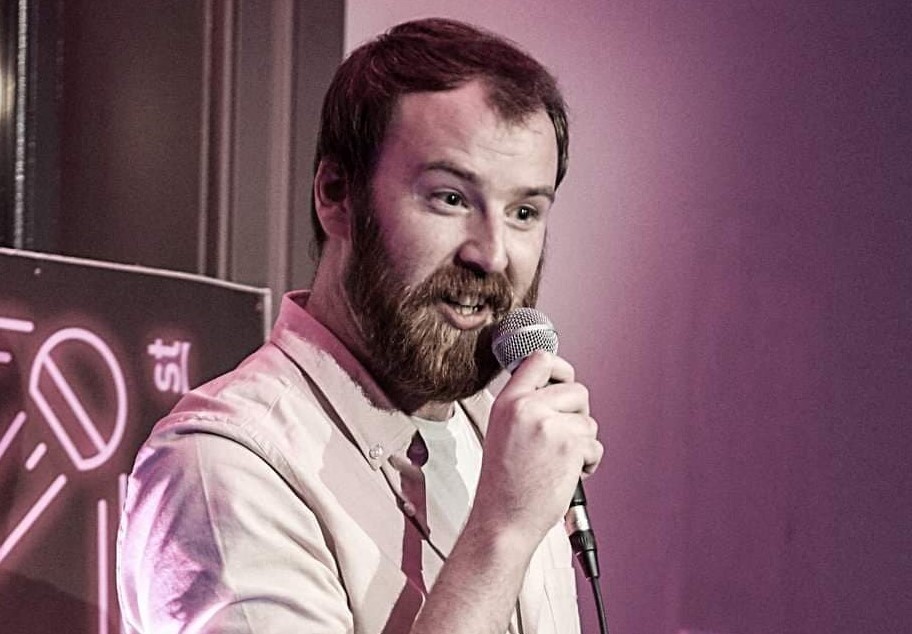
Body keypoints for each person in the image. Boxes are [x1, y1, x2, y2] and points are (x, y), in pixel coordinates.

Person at [117, 17, 603, 634]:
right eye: (450, 198)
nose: (493, 253)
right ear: (336, 192)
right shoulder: (223, 468)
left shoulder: (503, 438)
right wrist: (500, 537)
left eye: (525, 212)